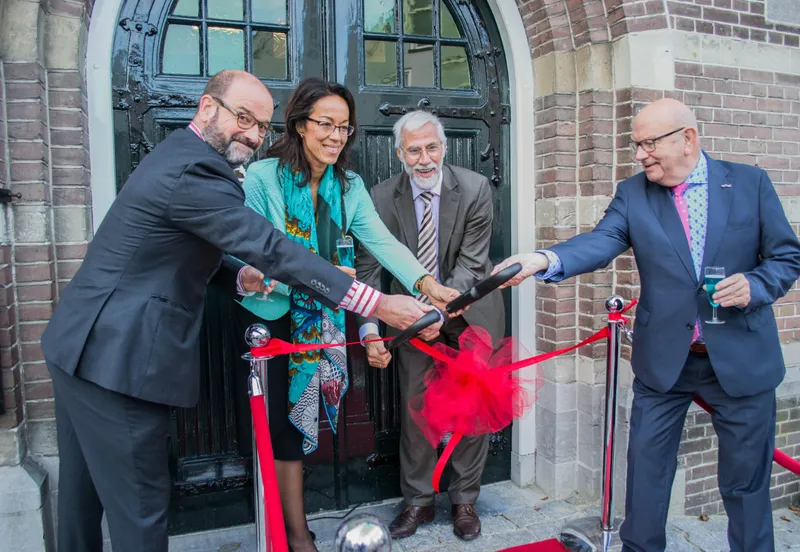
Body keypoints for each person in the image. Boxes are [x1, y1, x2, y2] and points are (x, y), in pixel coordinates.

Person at [39, 69, 440, 552]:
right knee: (141, 515)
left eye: (259, 125)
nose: (252, 133)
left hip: (81, 345)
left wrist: (239, 275)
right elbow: (272, 247)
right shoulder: (200, 170)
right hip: (118, 359)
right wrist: (373, 302)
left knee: (81, 508)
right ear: (207, 108)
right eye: (243, 118)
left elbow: (181, 250)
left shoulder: (184, 159)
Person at [493, 98, 800, 552]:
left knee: (745, 486)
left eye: (648, 144)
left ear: (687, 139)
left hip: (742, 358)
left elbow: (786, 257)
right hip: (665, 363)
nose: (639, 155)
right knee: (645, 477)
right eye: (636, 145)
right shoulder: (633, 193)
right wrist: (545, 259)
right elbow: (600, 242)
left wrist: (756, 285)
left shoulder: (751, 184)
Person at [232, 79, 459, 552]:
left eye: (344, 126)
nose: (336, 135)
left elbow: (383, 243)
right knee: (279, 428)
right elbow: (258, 250)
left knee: (300, 423)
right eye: (325, 124)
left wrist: (428, 284)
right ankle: (293, 534)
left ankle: (295, 526)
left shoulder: (348, 185)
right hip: (272, 319)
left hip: (323, 316)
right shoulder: (262, 177)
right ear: (298, 125)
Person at [355, 110, 505, 542]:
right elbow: (367, 271)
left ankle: (464, 500)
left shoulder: (475, 188)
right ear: (399, 154)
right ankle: (418, 500)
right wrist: (370, 331)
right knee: (416, 408)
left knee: (473, 408)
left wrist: (436, 315)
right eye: (414, 149)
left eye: (432, 147)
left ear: (444, 148)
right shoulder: (381, 198)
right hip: (407, 320)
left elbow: (473, 265)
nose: (425, 159)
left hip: (472, 311)